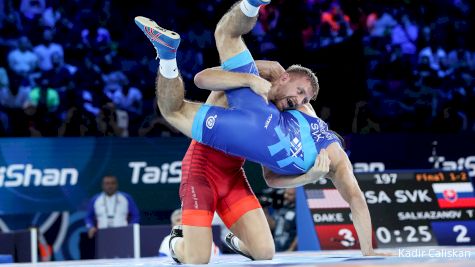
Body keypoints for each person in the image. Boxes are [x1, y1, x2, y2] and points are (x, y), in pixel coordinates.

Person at [135, 0, 384, 263]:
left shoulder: (297, 121)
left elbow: (272, 177)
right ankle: (176, 242)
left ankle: (238, 239)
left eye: (305, 100)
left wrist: (367, 249)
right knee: (198, 259)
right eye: (300, 93)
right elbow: (202, 79)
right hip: (204, 162)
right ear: (286, 78)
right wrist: (252, 77)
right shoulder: (273, 91)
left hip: (233, 172)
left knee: (265, 253)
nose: (300, 101)